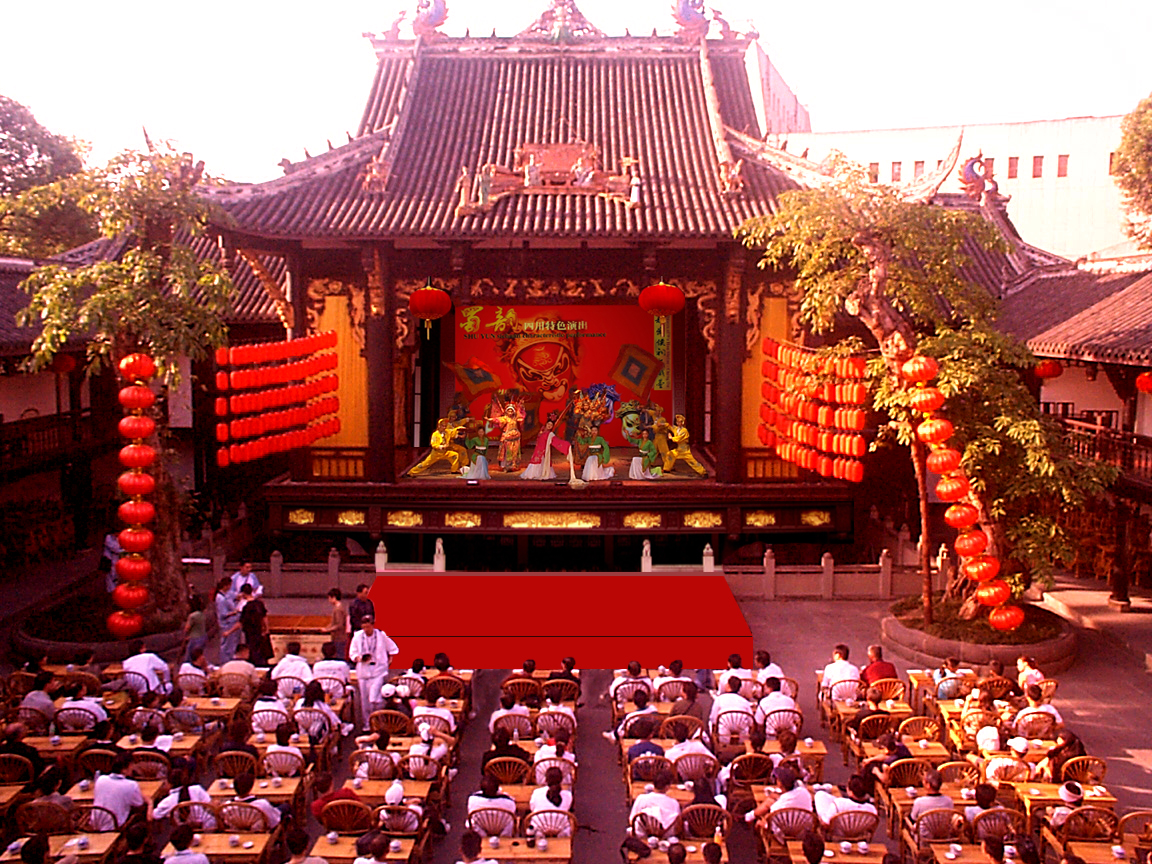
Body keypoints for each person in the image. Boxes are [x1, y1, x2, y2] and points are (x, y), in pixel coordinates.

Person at [349, 614, 399, 729]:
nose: (366, 630)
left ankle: (378, 721)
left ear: (373, 625)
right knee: (364, 701)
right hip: (363, 670)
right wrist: (360, 658)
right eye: (364, 627)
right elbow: (352, 654)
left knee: (374, 699)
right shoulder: (357, 637)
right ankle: (367, 724)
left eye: (368, 627)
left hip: (378, 671)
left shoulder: (381, 635)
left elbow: (393, 649)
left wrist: (387, 662)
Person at [93, 751, 152, 829]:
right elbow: (138, 804)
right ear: (124, 769)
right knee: (142, 812)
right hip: (115, 824)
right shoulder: (131, 785)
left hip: (95, 821)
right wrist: (149, 802)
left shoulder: (101, 779)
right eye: (131, 765)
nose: (133, 767)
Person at [629, 767, 681, 835]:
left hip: (642, 834)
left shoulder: (641, 799)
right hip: (665, 836)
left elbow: (631, 819)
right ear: (667, 787)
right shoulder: (674, 803)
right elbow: (677, 824)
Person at [528, 766, 572, 833]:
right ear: (561, 779)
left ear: (546, 780)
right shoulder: (568, 796)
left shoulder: (537, 793)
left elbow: (532, 808)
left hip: (538, 832)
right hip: (561, 832)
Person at [238, 584, 270, 667]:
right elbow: (264, 617)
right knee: (261, 652)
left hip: (250, 633)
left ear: (243, 593)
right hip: (260, 631)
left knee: (253, 652)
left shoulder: (246, 607)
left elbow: (240, 622)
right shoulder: (259, 604)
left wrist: (228, 632)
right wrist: (266, 629)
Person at [214, 577, 242, 664]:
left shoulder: (227, 594)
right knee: (226, 645)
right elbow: (223, 614)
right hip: (226, 624)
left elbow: (234, 596)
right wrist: (234, 612)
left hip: (232, 622)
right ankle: (225, 662)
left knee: (232, 644)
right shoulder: (220, 598)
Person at [323, 588, 349, 661]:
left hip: (340, 638)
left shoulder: (338, 609)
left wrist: (327, 630)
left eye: (329, 598)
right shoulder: (339, 608)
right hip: (339, 637)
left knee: (339, 657)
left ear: (333, 597)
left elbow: (339, 625)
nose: (329, 600)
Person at [182, 595, 208, 664]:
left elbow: (187, 628)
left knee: (189, 658)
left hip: (195, 639)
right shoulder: (201, 614)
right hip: (203, 636)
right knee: (199, 656)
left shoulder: (192, 616)